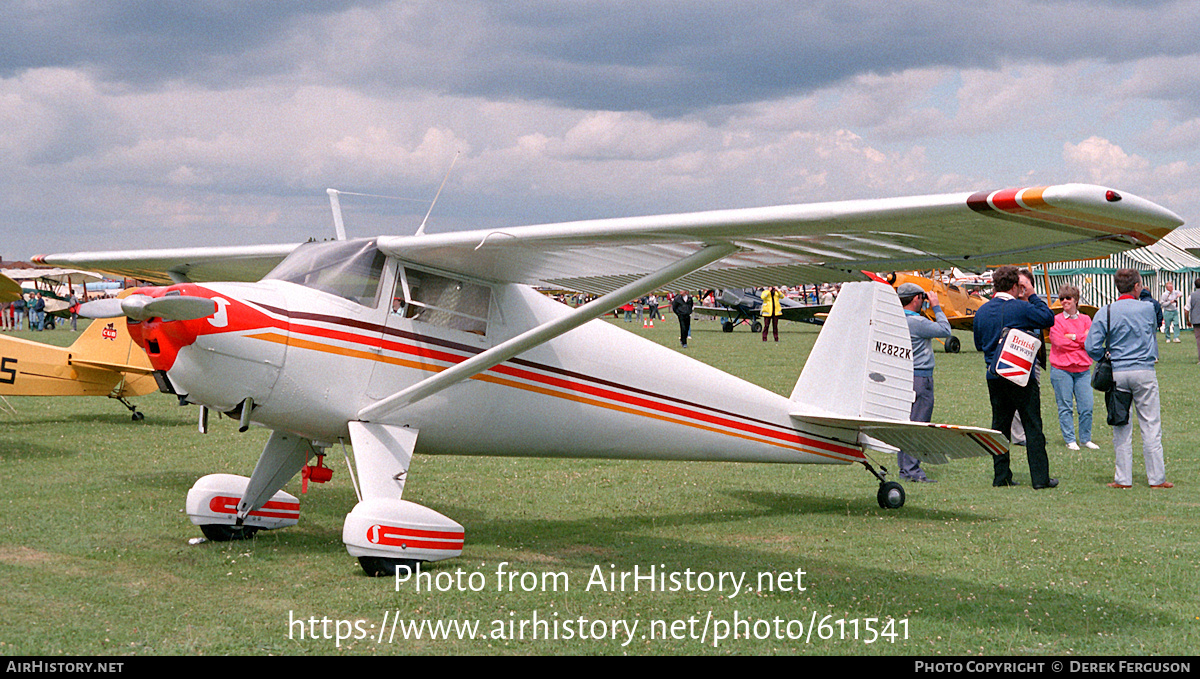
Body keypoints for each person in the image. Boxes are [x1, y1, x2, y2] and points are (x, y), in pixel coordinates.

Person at [1085, 269, 1173, 489]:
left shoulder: (1106, 311)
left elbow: (1091, 346)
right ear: (1136, 287)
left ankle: (1123, 479)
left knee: (1121, 425)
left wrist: (1106, 355)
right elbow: (1152, 332)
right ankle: (1157, 478)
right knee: (1151, 425)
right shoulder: (1148, 308)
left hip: (1118, 372)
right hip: (1144, 370)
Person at [973, 265, 1057, 489]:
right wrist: (1031, 293)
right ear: (1015, 287)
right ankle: (1040, 478)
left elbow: (979, 344)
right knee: (1032, 425)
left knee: (1000, 427)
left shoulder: (981, 311)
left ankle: (1001, 476)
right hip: (1021, 375)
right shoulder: (1021, 308)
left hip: (994, 375)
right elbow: (1048, 318)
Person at [897, 282, 951, 482]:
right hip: (920, 377)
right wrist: (936, 306)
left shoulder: (895, 319)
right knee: (919, 424)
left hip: (903, 375)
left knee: (906, 424)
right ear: (915, 299)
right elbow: (945, 330)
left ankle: (904, 468)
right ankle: (912, 471)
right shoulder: (917, 322)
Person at [1048, 285, 1097, 451]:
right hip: (1061, 370)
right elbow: (1058, 342)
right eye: (1062, 298)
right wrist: (1080, 341)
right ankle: (1070, 439)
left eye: (1068, 298)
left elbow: (1090, 340)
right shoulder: (1056, 320)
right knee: (1065, 407)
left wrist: (1073, 337)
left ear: (1075, 300)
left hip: (1082, 370)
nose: (1064, 301)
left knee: (1087, 407)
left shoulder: (1086, 319)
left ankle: (1085, 439)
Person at [1188, 278, 1200, 364]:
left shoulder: (1191, 296)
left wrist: (1187, 320)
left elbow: (1186, 309)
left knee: (1199, 340)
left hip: (1196, 320)